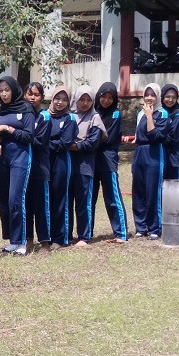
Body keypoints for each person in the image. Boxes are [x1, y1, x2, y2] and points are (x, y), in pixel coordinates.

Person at [0, 76, 35, 256]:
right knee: (3, 200)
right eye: (1, 91)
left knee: (15, 199)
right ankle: (12, 241)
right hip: (1, 160)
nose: (4, 94)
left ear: (14, 90)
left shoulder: (26, 109)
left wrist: (8, 129)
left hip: (20, 158)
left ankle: (22, 241)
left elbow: (29, 136)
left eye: (7, 90)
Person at [124, 83, 169, 240]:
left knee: (152, 191)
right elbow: (140, 135)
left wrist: (150, 116)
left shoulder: (162, 114)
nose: (149, 98)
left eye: (153, 95)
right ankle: (140, 226)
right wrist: (133, 140)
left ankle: (154, 228)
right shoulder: (140, 114)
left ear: (158, 97)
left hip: (154, 153)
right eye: (147, 94)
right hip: (140, 153)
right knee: (139, 191)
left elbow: (156, 136)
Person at [68, 86, 105, 247]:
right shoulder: (69, 116)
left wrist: (74, 146)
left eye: (88, 100)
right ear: (75, 99)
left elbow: (93, 142)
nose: (84, 103)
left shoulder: (95, 118)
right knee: (67, 200)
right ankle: (66, 234)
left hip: (85, 165)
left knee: (83, 201)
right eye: (82, 99)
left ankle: (84, 236)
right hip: (68, 165)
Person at [91, 82, 127, 243]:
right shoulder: (92, 112)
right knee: (89, 198)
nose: (106, 100)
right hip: (91, 160)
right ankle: (86, 233)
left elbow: (108, 137)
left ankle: (121, 232)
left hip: (107, 160)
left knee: (112, 196)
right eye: (103, 97)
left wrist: (88, 142)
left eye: (109, 97)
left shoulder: (115, 114)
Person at [46, 85, 77, 249]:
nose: (60, 102)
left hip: (61, 162)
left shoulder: (70, 118)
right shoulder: (45, 115)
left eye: (64, 100)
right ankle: (48, 236)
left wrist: (45, 144)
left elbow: (65, 142)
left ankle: (61, 237)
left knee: (60, 198)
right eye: (57, 98)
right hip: (45, 162)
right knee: (47, 198)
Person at [23, 83, 52, 251]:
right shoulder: (24, 115)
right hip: (25, 167)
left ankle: (45, 242)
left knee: (41, 205)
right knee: (25, 205)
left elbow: (39, 141)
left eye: (36, 94)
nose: (32, 97)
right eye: (29, 94)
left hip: (40, 167)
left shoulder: (45, 117)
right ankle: (28, 240)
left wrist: (21, 136)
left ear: (42, 97)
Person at [159, 83, 179, 180]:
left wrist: (156, 137)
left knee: (174, 190)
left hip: (174, 159)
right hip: (161, 156)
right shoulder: (160, 112)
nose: (170, 100)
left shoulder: (178, 114)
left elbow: (173, 137)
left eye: (173, 97)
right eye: (167, 97)